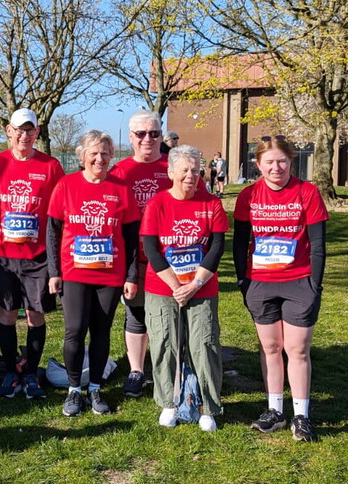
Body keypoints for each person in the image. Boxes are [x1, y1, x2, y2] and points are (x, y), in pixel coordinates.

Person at [234, 136, 328, 442]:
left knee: (297, 350)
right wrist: (242, 281)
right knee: (271, 348)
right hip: (260, 283)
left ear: (291, 161)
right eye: (269, 162)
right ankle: (274, 411)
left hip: (299, 281)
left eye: (282, 161)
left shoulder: (307, 192)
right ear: (258, 164)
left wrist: (315, 284)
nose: (277, 168)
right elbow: (239, 243)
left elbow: (318, 245)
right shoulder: (248, 195)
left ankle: (302, 416)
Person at [47, 130, 140, 416]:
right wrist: (53, 271)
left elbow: (132, 237)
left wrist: (132, 275)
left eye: (105, 153)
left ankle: (96, 387)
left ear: (112, 156)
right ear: (83, 156)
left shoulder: (121, 188)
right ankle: (74, 390)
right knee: (75, 330)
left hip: (110, 275)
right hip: (74, 272)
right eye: (94, 153)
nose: (99, 159)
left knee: (101, 332)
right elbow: (52, 232)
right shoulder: (66, 185)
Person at [141, 145, 228, 431]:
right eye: (185, 170)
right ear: (171, 173)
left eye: (196, 170)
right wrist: (177, 286)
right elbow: (152, 249)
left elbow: (216, 247)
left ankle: (207, 407)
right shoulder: (157, 204)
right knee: (165, 342)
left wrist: (195, 284)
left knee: (204, 344)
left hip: (201, 287)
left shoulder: (211, 203)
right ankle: (169, 403)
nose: (191, 176)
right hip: (163, 286)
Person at [0, 108, 65, 399]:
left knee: (34, 315)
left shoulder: (51, 166)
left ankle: (30, 373)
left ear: (37, 133)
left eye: (30, 130)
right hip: (4, 254)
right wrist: (1, 227)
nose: (24, 136)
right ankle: (9, 371)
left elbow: (57, 210)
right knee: (6, 313)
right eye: (19, 130)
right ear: (8, 131)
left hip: (37, 255)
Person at [109, 111, 171, 399]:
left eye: (154, 133)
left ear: (161, 134)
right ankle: (137, 370)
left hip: (173, 257)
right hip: (135, 257)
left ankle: (171, 368)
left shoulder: (175, 166)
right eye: (141, 134)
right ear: (131, 137)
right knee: (136, 313)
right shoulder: (119, 172)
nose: (148, 139)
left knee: (171, 315)